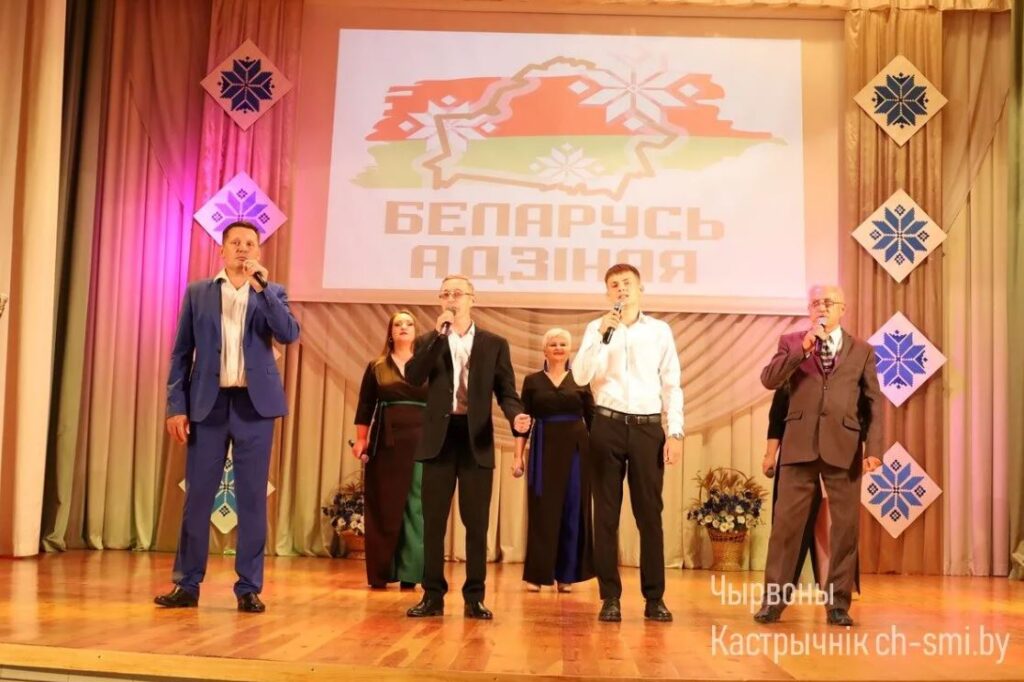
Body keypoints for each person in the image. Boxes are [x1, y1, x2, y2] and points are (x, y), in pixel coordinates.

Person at [156, 220, 300, 613]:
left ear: (259, 251)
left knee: (252, 498)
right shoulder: (199, 292)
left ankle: (249, 587)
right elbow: (180, 353)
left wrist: (263, 289)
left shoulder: (272, 292)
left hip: (255, 406)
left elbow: (288, 334)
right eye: (235, 242)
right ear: (221, 250)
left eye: (250, 243)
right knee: (198, 497)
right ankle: (187, 584)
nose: (242, 248)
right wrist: (176, 406)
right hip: (208, 404)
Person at [403, 274, 531, 620]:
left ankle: (475, 597)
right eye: (445, 293)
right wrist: (436, 338)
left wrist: (516, 417)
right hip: (439, 440)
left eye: (457, 293)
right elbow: (413, 377)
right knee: (433, 522)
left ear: (472, 299)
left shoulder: (494, 343)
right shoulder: (429, 339)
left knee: (476, 524)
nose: (451, 299)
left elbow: (506, 392)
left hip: (476, 439)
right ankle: (432, 596)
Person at [755, 284, 881, 627]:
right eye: (815, 303)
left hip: (844, 446)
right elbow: (769, 380)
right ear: (809, 311)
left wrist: (874, 448)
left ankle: (838, 604)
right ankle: (773, 603)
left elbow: (873, 402)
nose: (821, 308)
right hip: (799, 446)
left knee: (845, 530)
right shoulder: (792, 342)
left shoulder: (863, 350)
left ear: (842, 309)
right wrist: (803, 349)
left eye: (828, 302)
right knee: (785, 528)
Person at [573, 263, 683, 623]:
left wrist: (675, 431)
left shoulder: (659, 331)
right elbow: (580, 376)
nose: (621, 289)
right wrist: (600, 335)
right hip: (606, 424)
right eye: (614, 285)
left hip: (648, 428)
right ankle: (610, 597)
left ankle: (655, 598)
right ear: (607, 293)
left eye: (627, 283)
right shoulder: (596, 328)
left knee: (649, 514)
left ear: (640, 288)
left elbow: (672, 383)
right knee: (605, 514)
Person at [513, 328, 594, 593]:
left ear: (570, 350)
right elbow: (523, 423)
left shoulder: (581, 379)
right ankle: (538, 574)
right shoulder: (532, 381)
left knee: (572, 509)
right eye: (553, 344)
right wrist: (517, 457)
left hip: (577, 452)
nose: (558, 348)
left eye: (563, 344)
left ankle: (567, 575)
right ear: (544, 350)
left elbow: (593, 421)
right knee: (543, 512)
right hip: (543, 449)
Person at [762, 388, 862, 595]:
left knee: (837, 525)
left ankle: (836, 587)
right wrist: (770, 455)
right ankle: (779, 590)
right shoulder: (791, 374)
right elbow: (777, 416)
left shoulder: (848, 377)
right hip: (798, 459)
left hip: (837, 457)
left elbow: (862, 414)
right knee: (788, 526)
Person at [352, 310, 427, 589]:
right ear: (390, 332)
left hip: (421, 440)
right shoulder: (377, 366)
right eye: (398, 324)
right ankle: (382, 571)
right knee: (385, 504)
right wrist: (361, 440)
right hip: (386, 441)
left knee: (415, 503)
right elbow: (365, 406)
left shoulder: (427, 365)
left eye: (409, 324)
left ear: (416, 331)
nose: (403, 327)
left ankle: (411, 572)